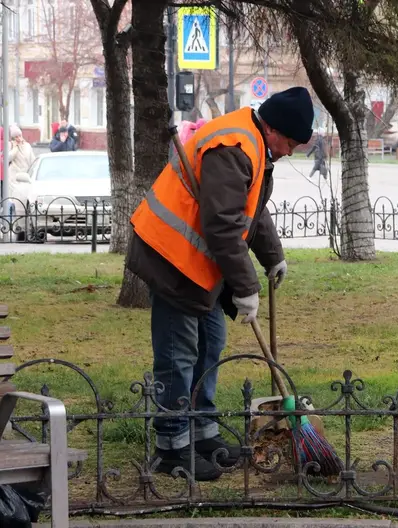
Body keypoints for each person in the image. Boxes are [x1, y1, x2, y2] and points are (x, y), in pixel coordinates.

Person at [125, 86, 314, 481]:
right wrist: (246, 287)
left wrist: (272, 256)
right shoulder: (234, 146)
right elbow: (223, 225)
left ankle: (201, 432)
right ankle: (171, 446)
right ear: (275, 129)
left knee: (212, 342)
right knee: (179, 352)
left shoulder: (254, 143)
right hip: (172, 257)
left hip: (200, 262)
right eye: (292, 143)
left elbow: (251, 209)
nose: (291, 151)